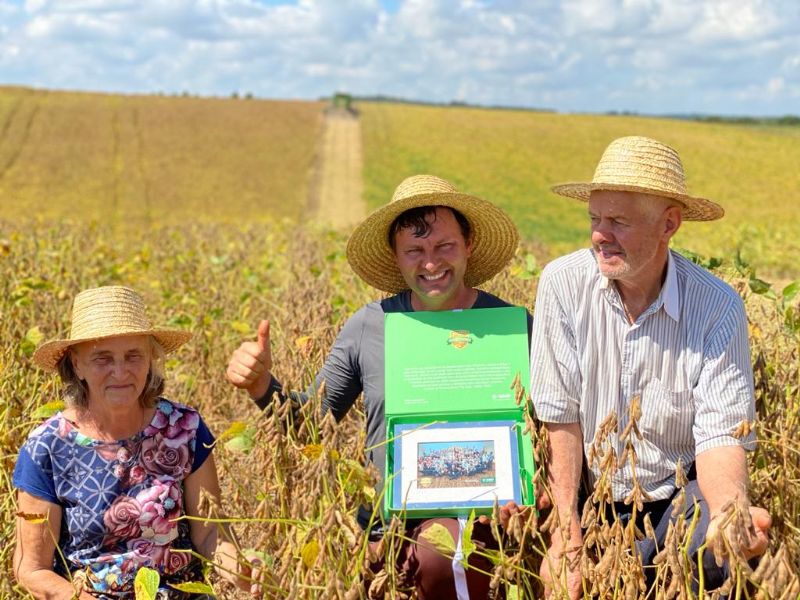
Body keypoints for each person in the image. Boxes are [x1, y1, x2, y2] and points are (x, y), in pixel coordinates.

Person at [226, 174, 530, 599]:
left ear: (469, 244)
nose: (431, 264)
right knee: (434, 557)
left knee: (450, 557)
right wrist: (263, 387)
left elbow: (550, 427)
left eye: (444, 246)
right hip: (391, 526)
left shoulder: (513, 327)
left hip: (497, 519)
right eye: (414, 251)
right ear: (396, 257)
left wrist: (534, 494)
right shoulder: (370, 325)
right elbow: (312, 424)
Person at [529, 136, 772, 597]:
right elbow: (561, 419)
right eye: (595, 219)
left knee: (722, 553)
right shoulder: (562, 285)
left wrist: (728, 513)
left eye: (618, 222)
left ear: (669, 224)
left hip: (677, 499)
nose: (600, 235)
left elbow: (721, 435)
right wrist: (566, 535)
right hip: (590, 497)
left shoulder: (716, 307)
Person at [13, 286, 260, 599]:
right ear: (77, 364)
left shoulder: (184, 428)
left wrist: (240, 567)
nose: (120, 372)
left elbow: (209, 531)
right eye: (103, 358)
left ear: (150, 360)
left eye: (133, 356)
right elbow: (31, 568)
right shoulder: (47, 448)